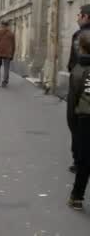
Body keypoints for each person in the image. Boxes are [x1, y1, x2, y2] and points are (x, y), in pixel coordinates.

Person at [66, 29, 90, 210]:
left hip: (84, 118)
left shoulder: (79, 70)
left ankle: (77, 196)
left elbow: (73, 98)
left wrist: (72, 123)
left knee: (83, 160)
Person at [67, 4, 90, 174]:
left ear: (86, 17)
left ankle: (79, 161)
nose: (77, 18)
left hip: (81, 84)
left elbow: (76, 62)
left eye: (79, 15)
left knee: (76, 121)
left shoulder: (80, 36)